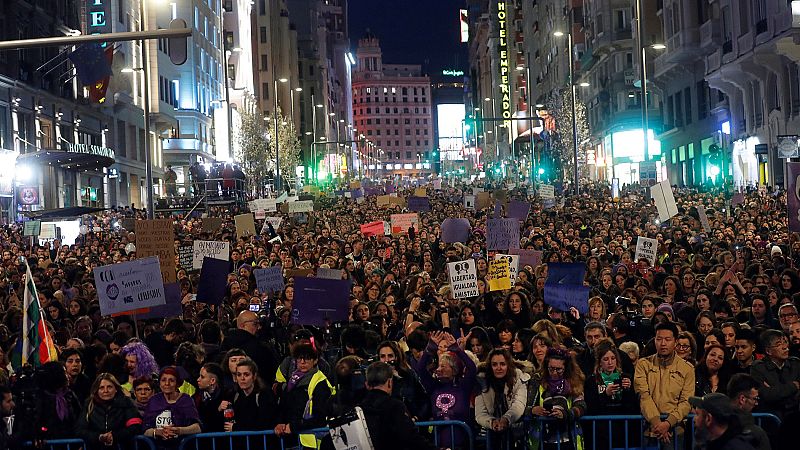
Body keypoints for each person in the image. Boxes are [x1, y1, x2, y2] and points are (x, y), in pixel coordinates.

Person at [634, 321, 695, 449]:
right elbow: (644, 396)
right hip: (649, 429)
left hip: (675, 431)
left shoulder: (687, 369)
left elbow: (686, 402)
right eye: (659, 339)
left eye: (667, 339)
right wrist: (658, 424)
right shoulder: (643, 364)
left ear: (675, 342)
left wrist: (668, 423)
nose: (663, 343)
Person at [358, 361, 436, 450]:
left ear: (367, 384)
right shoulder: (395, 406)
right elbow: (411, 438)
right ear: (389, 382)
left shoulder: (359, 408)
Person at [274, 343, 334, 449]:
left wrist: (293, 426)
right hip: (293, 440)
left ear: (315, 360)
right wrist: (280, 423)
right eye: (299, 358)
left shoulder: (320, 382)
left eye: (307, 358)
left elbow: (320, 417)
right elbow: (284, 405)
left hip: (313, 443)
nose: (302, 362)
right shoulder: (293, 380)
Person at [583, 339, 639, 450]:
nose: (610, 362)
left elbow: (632, 408)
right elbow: (590, 407)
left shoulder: (624, 377)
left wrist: (628, 391)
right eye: (606, 359)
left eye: (613, 358)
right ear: (599, 362)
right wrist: (605, 394)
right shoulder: (591, 381)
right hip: (600, 433)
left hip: (622, 431)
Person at [749, 329, 800, 449]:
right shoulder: (758, 368)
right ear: (768, 351)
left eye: (785, 342)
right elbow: (766, 395)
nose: (785, 347)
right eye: (778, 344)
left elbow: (795, 398)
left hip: (794, 425)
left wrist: (775, 390)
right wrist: (793, 386)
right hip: (770, 427)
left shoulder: (796, 365)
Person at [474, 349, 529, 448]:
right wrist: (492, 423)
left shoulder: (518, 378)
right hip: (489, 434)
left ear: (508, 365)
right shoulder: (482, 381)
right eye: (494, 364)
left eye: (502, 364)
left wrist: (506, 419)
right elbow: (480, 413)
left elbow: (519, 404)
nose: (499, 368)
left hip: (516, 433)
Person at [75, 373, 142, 450]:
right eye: (101, 388)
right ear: (97, 390)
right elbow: (79, 430)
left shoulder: (127, 403)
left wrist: (114, 436)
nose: (105, 391)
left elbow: (135, 427)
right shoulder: (89, 404)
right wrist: (99, 437)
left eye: (109, 387)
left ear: (116, 389)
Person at [143, 366, 202, 446]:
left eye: (171, 380)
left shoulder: (186, 400)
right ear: (159, 383)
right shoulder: (154, 401)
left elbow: (197, 428)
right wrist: (157, 432)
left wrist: (179, 430)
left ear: (177, 384)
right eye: (163, 380)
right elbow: (145, 430)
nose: (167, 383)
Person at [690, 393, 756, 450]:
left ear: (708, 419)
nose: (694, 419)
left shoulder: (737, 447)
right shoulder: (705, 445)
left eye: (697, 414)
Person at [727, 374, 770, 450]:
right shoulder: (757, 434)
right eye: (755, 398)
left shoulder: (714, 426)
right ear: (742, 399)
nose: (756, 403)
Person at [195, 362, 226, 433]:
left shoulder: (226, 396)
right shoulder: (197, 397)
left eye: (202, 377)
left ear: (212, 381)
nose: (198, 379)